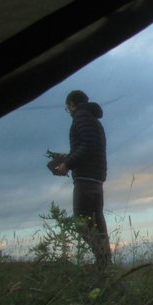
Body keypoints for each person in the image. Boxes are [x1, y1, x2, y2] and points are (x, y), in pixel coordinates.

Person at [55, 90, 112, 269]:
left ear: (72, 104)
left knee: (80, 222)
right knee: (97, 223)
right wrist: (67, 156)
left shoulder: (80, 118)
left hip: (85, 179)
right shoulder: (94, 120)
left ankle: (102, 259)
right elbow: (90, 146)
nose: (69, 112)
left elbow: (87, 147)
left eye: (68, 108)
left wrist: (67, 165)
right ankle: (105, 265)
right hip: (97, 178)